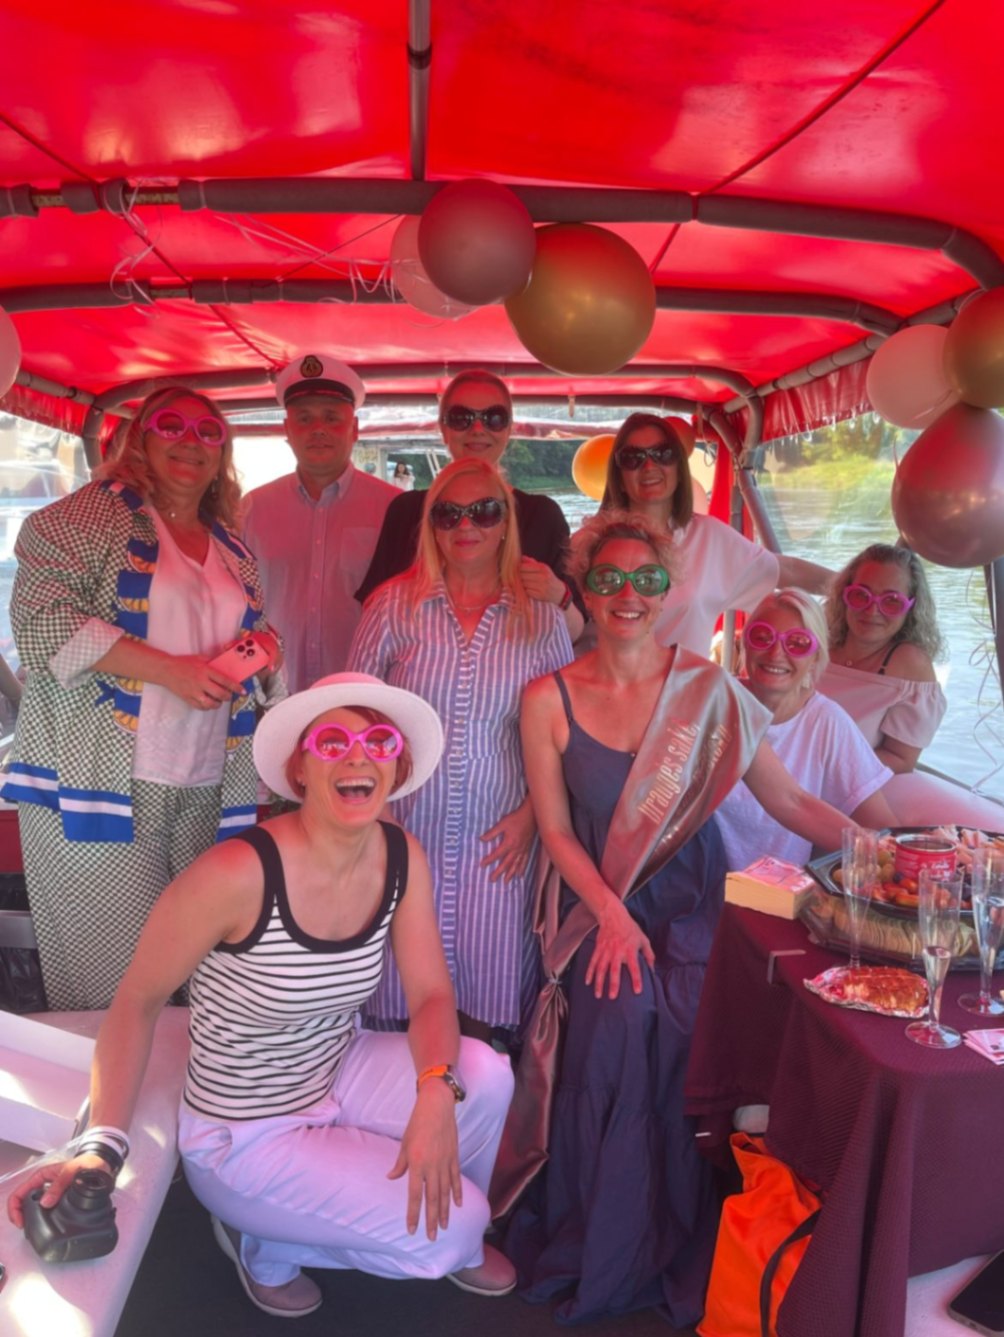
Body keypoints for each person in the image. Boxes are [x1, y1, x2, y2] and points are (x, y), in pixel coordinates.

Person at [8, 673, 517, 1317]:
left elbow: (432, 995)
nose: (357, 758)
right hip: (245, 1132)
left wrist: (436, 1093)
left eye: (379, 742)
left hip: (338, 1070)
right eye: (331, 743)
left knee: (484, 1076)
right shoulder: (234, 875)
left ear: (398, 765)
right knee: (458, 1228)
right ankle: (267, 1239)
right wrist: (99, 1148)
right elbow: (136, 1003)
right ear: (299, 769)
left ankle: (404, 1213)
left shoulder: (400, 854)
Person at [501, 512, 854, 1326]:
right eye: (608, 577)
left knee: (695, 1029)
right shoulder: (547, 697)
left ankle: (679, 1236)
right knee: (622, 1022)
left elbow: (790, 800)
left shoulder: (709, 688)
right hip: (600, 902)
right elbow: (556, 831)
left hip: (694, 904)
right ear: (584, 588)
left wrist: (883, 851)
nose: (627, 593)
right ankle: (608, 1243)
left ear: (668, 591)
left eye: (646, 578)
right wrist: (611, 915)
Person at [1, 385, 281, 1011]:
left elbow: (249, 634)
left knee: (206, 974)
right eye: (171, 425)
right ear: (138, 440)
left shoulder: (230, 544)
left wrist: (264, 649)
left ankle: (185, 1078)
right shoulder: (87, 515)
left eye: (209, 432)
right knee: (117, 982)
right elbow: (41, 622)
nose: (191, 441)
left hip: (208, 783)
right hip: (99, 783)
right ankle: (111, 1080)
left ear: (223, 452)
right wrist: (169, 672)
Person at [349, 458, 573, 1039]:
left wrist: (533, 817)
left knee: (486, 1010)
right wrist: (377, 818)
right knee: (396, 1002)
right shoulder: (390, 606)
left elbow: (564, 735)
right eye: (448, 514)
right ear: (431, 526)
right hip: (404, 829)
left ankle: (482, 1096)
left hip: (500, 840)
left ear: (506, 524)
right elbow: (354, 717)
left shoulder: (542, 619)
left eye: (484, 511)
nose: (465, 525)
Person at [355, 369, 583, 639]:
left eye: (493, 418)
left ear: (509, 428)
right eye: (461, 418)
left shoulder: (542, 516)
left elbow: (574, 635)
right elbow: (373, 613)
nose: (477, 429)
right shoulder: (406, 511)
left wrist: (559, 596)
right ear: (443, 428)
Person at [593, 412, 832, 657]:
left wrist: (846, 585)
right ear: (618, 477)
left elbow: (785, 570)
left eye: (663, 454)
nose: (649, 466)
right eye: (632, 458)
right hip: (605, 680)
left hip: (688, 680)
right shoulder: (591, 543)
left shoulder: (709, 537)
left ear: (679, 469)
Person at [243, 353, 397, 691]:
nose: (318, 429)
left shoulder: (394, 509)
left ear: (354, 429)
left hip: (363, 691)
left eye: (331, 417)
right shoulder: (251, 509)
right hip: (274, 693)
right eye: (304, 418)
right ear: (287, 430)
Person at [716, 588, 896, 871]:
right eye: (762, 637)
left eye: (798, 643)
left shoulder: (826, 721)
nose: (776, 653)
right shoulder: (715, 703)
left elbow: (882, 826)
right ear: (745, 644)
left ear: (816, 657)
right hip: (696, 884)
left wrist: (897, 862)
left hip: (780, 891)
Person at [818, 543, 946, 774]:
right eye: (861, 595)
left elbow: (900, 758)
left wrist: (817, 770)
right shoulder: (815, 641)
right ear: (844, 595)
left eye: (891, 601)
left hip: (836, 782)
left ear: (911, 607)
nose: (872, 610)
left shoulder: (910, 665)